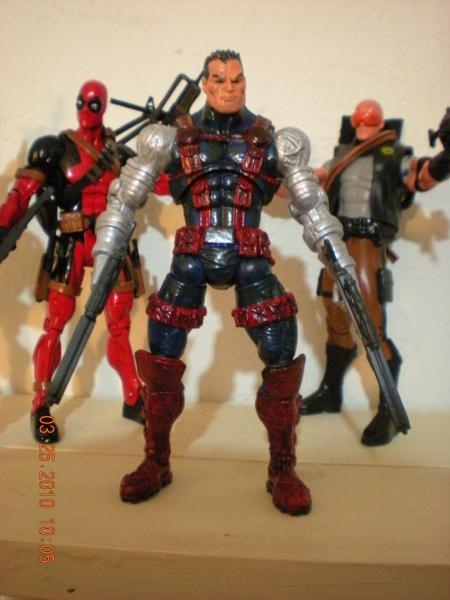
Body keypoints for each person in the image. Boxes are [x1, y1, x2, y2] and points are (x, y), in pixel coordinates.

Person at [93, 50, 356, 516]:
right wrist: (106, 257)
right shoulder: (170, 138)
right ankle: (156, 460)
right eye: (219, 80)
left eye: (237, 79)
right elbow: (125, 199)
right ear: (206, 85)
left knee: (281, 354)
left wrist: (340, 262)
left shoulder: (275, 141)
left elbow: (311, 207)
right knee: (161, 359)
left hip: (249, 258)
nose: (230, 88)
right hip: (190, 258)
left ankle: (282, 467)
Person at [0, 80, 150, 443]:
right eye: (82, 102)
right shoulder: (54, 149)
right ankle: (40, 404)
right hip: (71, 241)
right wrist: (3, 224)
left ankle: (133, 395)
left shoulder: (119, 154)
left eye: (94, 104)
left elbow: (159, 183)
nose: (86, 110)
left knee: (119, 324)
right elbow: (22, 194)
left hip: (111, 241)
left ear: (104, 107)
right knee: (56, 323)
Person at [301, 100, 450, 446]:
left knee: (371, 323)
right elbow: (309, 181)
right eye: (360, 122)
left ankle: (387, 410)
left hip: (367, 243)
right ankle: (330, 392)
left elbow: (422, 176)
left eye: (369, 122)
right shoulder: (340, 156)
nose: (364, 126)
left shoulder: (394, 155)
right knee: (335, 314)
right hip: (335, 241)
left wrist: (447, 156)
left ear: (381, 124)